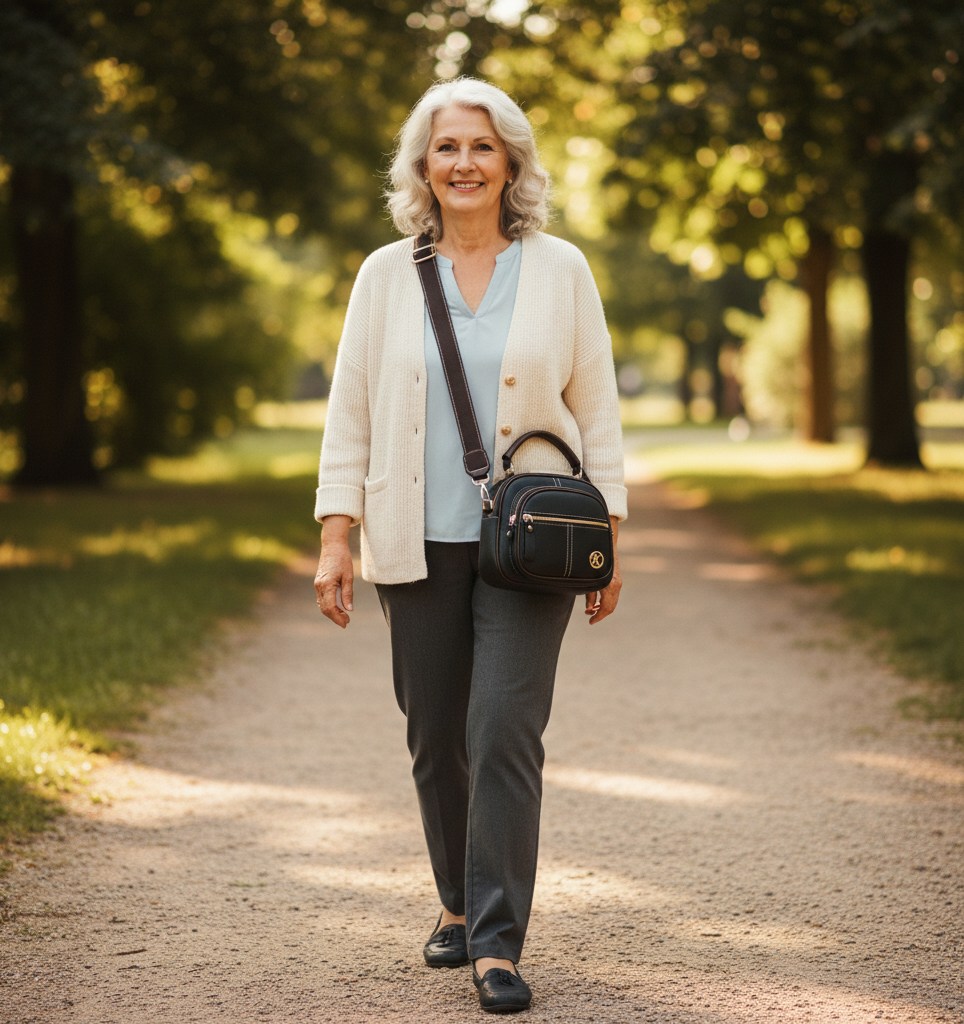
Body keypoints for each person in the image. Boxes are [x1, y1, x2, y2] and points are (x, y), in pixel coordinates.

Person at [313, 77, 626, 1014]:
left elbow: (599, 408)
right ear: (422, 165)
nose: (464, 163)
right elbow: (350, 414)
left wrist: (610, 530)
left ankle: (495, 942)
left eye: (482, 147)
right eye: (446, 148)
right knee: (435, 738)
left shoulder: (562, 268)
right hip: (416, 541)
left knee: (503, 733)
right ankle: (454, 900)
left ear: (512, 163)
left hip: (533, 545)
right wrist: (337, 537)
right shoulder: (383, 275)